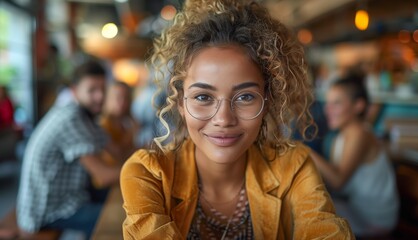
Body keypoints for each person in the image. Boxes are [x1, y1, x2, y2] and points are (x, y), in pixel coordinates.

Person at [120, 1, 354, 239]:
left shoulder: (293, 166)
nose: (223, 119)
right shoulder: (148, 174)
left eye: (245, 97)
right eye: (203, 96)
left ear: (267, 101)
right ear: (180, 103)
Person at [16, 60, 121, 239]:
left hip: (70, 195)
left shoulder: (85, 115)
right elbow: (102, 176)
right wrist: (142, 169)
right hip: (45, 210)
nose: (100, 96)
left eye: (103, 89)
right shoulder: (70, 118)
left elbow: (116, 151)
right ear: (74, 90)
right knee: (116, 220)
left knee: (123, 201)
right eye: (92, 90)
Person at [309, 73, 399, 237]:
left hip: (374, 219)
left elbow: (338, 182)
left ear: (358, 105)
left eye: (336, 103)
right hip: (356, 207)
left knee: (311, 218)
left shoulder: (360, 133)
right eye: (328, 103)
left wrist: (305, 151)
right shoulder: (341, 135)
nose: (327, 109)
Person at [99, 81, 139, 164]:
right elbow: (119, 155)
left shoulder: (125, 123)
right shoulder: (103, 124)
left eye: (126, 98)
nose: (122, 102)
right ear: (106, 99)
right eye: (117, 98)